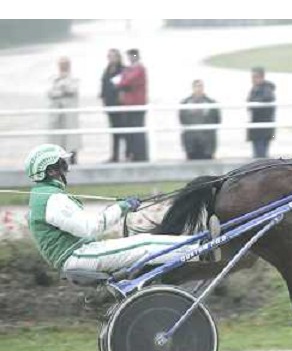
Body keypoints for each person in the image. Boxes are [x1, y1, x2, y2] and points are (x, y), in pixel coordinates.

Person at [24, 143, 208, 275]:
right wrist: (122, 208)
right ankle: (203, 247)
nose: (67, 169)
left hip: (79, 253)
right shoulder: (52, 199)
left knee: (143, 241)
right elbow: (90, 227)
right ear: (50, 171)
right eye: (62, 164)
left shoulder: (45, 196)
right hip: (78, 256)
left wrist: (118, 209)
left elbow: (82, 226)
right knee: (144, 245)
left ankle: (199, 245)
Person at [113, 48, 148, 161]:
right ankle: (134, 154)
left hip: (137, 104)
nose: (131, 58)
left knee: (137, 131)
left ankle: (140, 155)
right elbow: (123, 80)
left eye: (133, 55)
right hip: (128, 104)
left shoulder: (139, 69)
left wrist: (121, 82)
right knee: (131, 132)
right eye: (130, 56)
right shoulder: (130, 69)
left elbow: (125, 81)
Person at [47, 57, 81, 164]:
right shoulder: (54, 78)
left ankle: (73, 158)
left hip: (69, 112)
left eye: (65, 64)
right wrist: (61, 91)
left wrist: (62, 86)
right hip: (57, 112)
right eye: (61, 65)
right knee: (57, 136)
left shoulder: (74, 78)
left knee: (71, 136)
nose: (63, 67)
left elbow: (72, 89)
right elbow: (50, 93)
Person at [179, 79, 222, 160]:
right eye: (196, 86)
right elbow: (182, 120)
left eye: (200, 86)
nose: (198, 89)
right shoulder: (185, 103)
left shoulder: (212, 103)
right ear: (193, 88)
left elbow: (217, 120)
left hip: (207, 143)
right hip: (191, 143)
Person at [100, 49, 127, 162]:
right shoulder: (106, 70)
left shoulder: (123, 70)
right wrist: (103, 98)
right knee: (114, 130)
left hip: (120, 105)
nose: (111, 58)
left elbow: (125, 86)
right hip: (109, 104)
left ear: (118, 57)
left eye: (113, 56)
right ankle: (115, 155)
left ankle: (127, 153)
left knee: (123, 130)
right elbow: (104, 85)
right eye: (109, 56)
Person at [247, 67, 276, 158]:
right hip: (258, 127)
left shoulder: (266, 89)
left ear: (262, 77)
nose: (253, 80)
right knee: (258, 153)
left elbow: (266, 99)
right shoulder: (256, 89)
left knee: (260, 155)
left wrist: (253, 103)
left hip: (263, 128)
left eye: (255, 77)